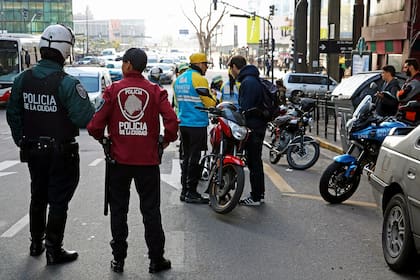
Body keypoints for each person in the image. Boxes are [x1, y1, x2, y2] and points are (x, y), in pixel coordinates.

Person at [6, 24, 95, 265]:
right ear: (65, 50)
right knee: (58, 201)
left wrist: (22, 140)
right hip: (60, 153)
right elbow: (85, 117)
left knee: (38, 196)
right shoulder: (67, 83)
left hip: (33, 150)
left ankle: (36, 243)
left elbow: (13, 114)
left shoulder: (22, 79)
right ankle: (54, 249)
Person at [87, 48, 178, 274]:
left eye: (123, 63)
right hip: (148, 163)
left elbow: (95, 126)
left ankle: (118, 260)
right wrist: (165, 141)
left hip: (119, 163)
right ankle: (156, 259)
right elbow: (172, 122)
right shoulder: (155, 91)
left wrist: (105, 140)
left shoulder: (113, 90)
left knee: (119, 211)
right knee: (151, 212)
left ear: (128, 65)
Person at [173, 52, 217, 203]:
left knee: (186, 157)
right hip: (197, 124)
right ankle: (191, 192)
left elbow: (178, 102)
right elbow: (209, 102)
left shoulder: (178, 80)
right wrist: (216, 102)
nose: (206, 67)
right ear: (198, 64)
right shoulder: (199, 79)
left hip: (184, 123)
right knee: (195, 158)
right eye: (205, 64)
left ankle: (185, 191)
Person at [228, 55, 267, 206]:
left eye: (230, 68)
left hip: (253, 127)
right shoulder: (251, 78)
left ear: (234, 67)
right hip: (258, 125)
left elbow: (246, 107)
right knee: (255, 161)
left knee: (254, 161)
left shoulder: (248, 82)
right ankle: (259, 194)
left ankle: (256, 196)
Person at [397, 58, 420, 123]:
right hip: (407, 114)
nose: (404, 70)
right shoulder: (410, 80)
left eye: (405, 67)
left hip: (412, 116)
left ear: (411, 67)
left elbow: (402, 96)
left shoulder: (416, 81)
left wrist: (398, 93)